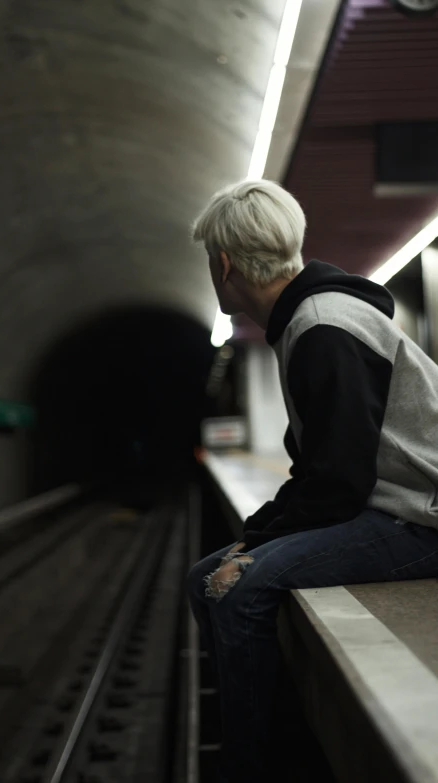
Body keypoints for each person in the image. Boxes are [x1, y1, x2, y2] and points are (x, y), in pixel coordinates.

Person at [187, 179, 438, 783]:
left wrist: (253, 554)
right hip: (387, 508)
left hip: (420, 519)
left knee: (239, 591)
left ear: (224, 265)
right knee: (206, 577)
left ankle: (256, 766)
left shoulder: (323, 326)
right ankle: (266, 738)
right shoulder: (308, 319)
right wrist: (255, 536)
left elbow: (337, 483)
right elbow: (320, 468)